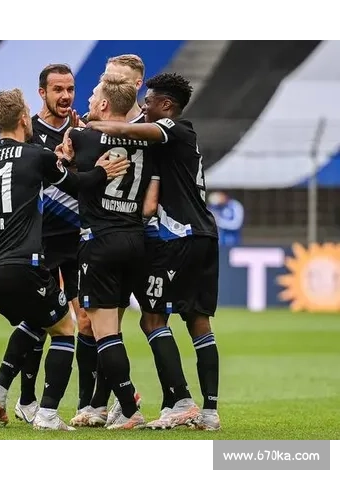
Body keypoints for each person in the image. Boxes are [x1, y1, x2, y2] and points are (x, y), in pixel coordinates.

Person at [0, 88, 130, 431]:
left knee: (35, 322)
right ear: (22, 119)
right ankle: (47, 414)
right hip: (23, 264)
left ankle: (0, 393)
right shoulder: (35, 155)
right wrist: (102, 170)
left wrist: (58, 159)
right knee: (64, 330)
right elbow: (76, 185)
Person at [87, 72, 221, 431]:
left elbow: (134, 132)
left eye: (148, 101)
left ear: (166, 105)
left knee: (152, 319)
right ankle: (209, 412)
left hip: (178, 237)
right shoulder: (179, 141)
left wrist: (94, 125)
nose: (143, 107)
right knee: (198, 321)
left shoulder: (175, 129)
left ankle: (180, 402)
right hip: (204, 234)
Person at [62, 73, 159, 429]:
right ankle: (104, 406)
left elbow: (75, 182)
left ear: (104, 104)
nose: (87, 100)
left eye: (93, 95)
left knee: (105, 333)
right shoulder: (147, 141)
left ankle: (129, 409)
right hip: (135, 240)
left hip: (100, 242)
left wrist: (67, 155)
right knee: (116, 327)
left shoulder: (83, 137)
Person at [13, 64, 95, 424]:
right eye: (58, 89)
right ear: (42, 93)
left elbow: (89, 181)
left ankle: (86, 406)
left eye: (70, 89)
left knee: (87, 322)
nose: (65, 96)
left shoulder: (83, 132)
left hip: (77, 240)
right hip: (41, 240)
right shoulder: (29, 134)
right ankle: (27, 400)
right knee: (41, 321)